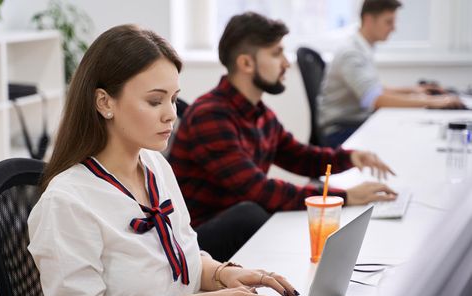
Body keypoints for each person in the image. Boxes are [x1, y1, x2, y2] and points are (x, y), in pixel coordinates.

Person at [28, 25, 300, 296]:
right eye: (155, 101)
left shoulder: (155, 166)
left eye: (173, 99)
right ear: (104, 103)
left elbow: (182, 258)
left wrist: (224, 274)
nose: (171, 114)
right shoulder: (67, 201)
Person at [168, 11, 396, 248]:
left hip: (238, 225)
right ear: (246, 63)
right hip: (199, 242)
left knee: (275, 213)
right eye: (276, 53)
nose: (286, 63)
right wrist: (344, 197)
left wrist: (350, 157)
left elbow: (300, 157)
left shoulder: (259, 113)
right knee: (253, 213)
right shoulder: (210, 117)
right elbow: (257, 190)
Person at [317, 0, 465, 147]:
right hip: (340, 131)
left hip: (354, 123)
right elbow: (375, 99)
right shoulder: (351, 53)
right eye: (388, 22)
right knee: (408, 139)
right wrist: (432, 102)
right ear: (369, 20)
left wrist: (414, 91)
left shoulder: (362, 48)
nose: (394, 28)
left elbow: (375, 89)